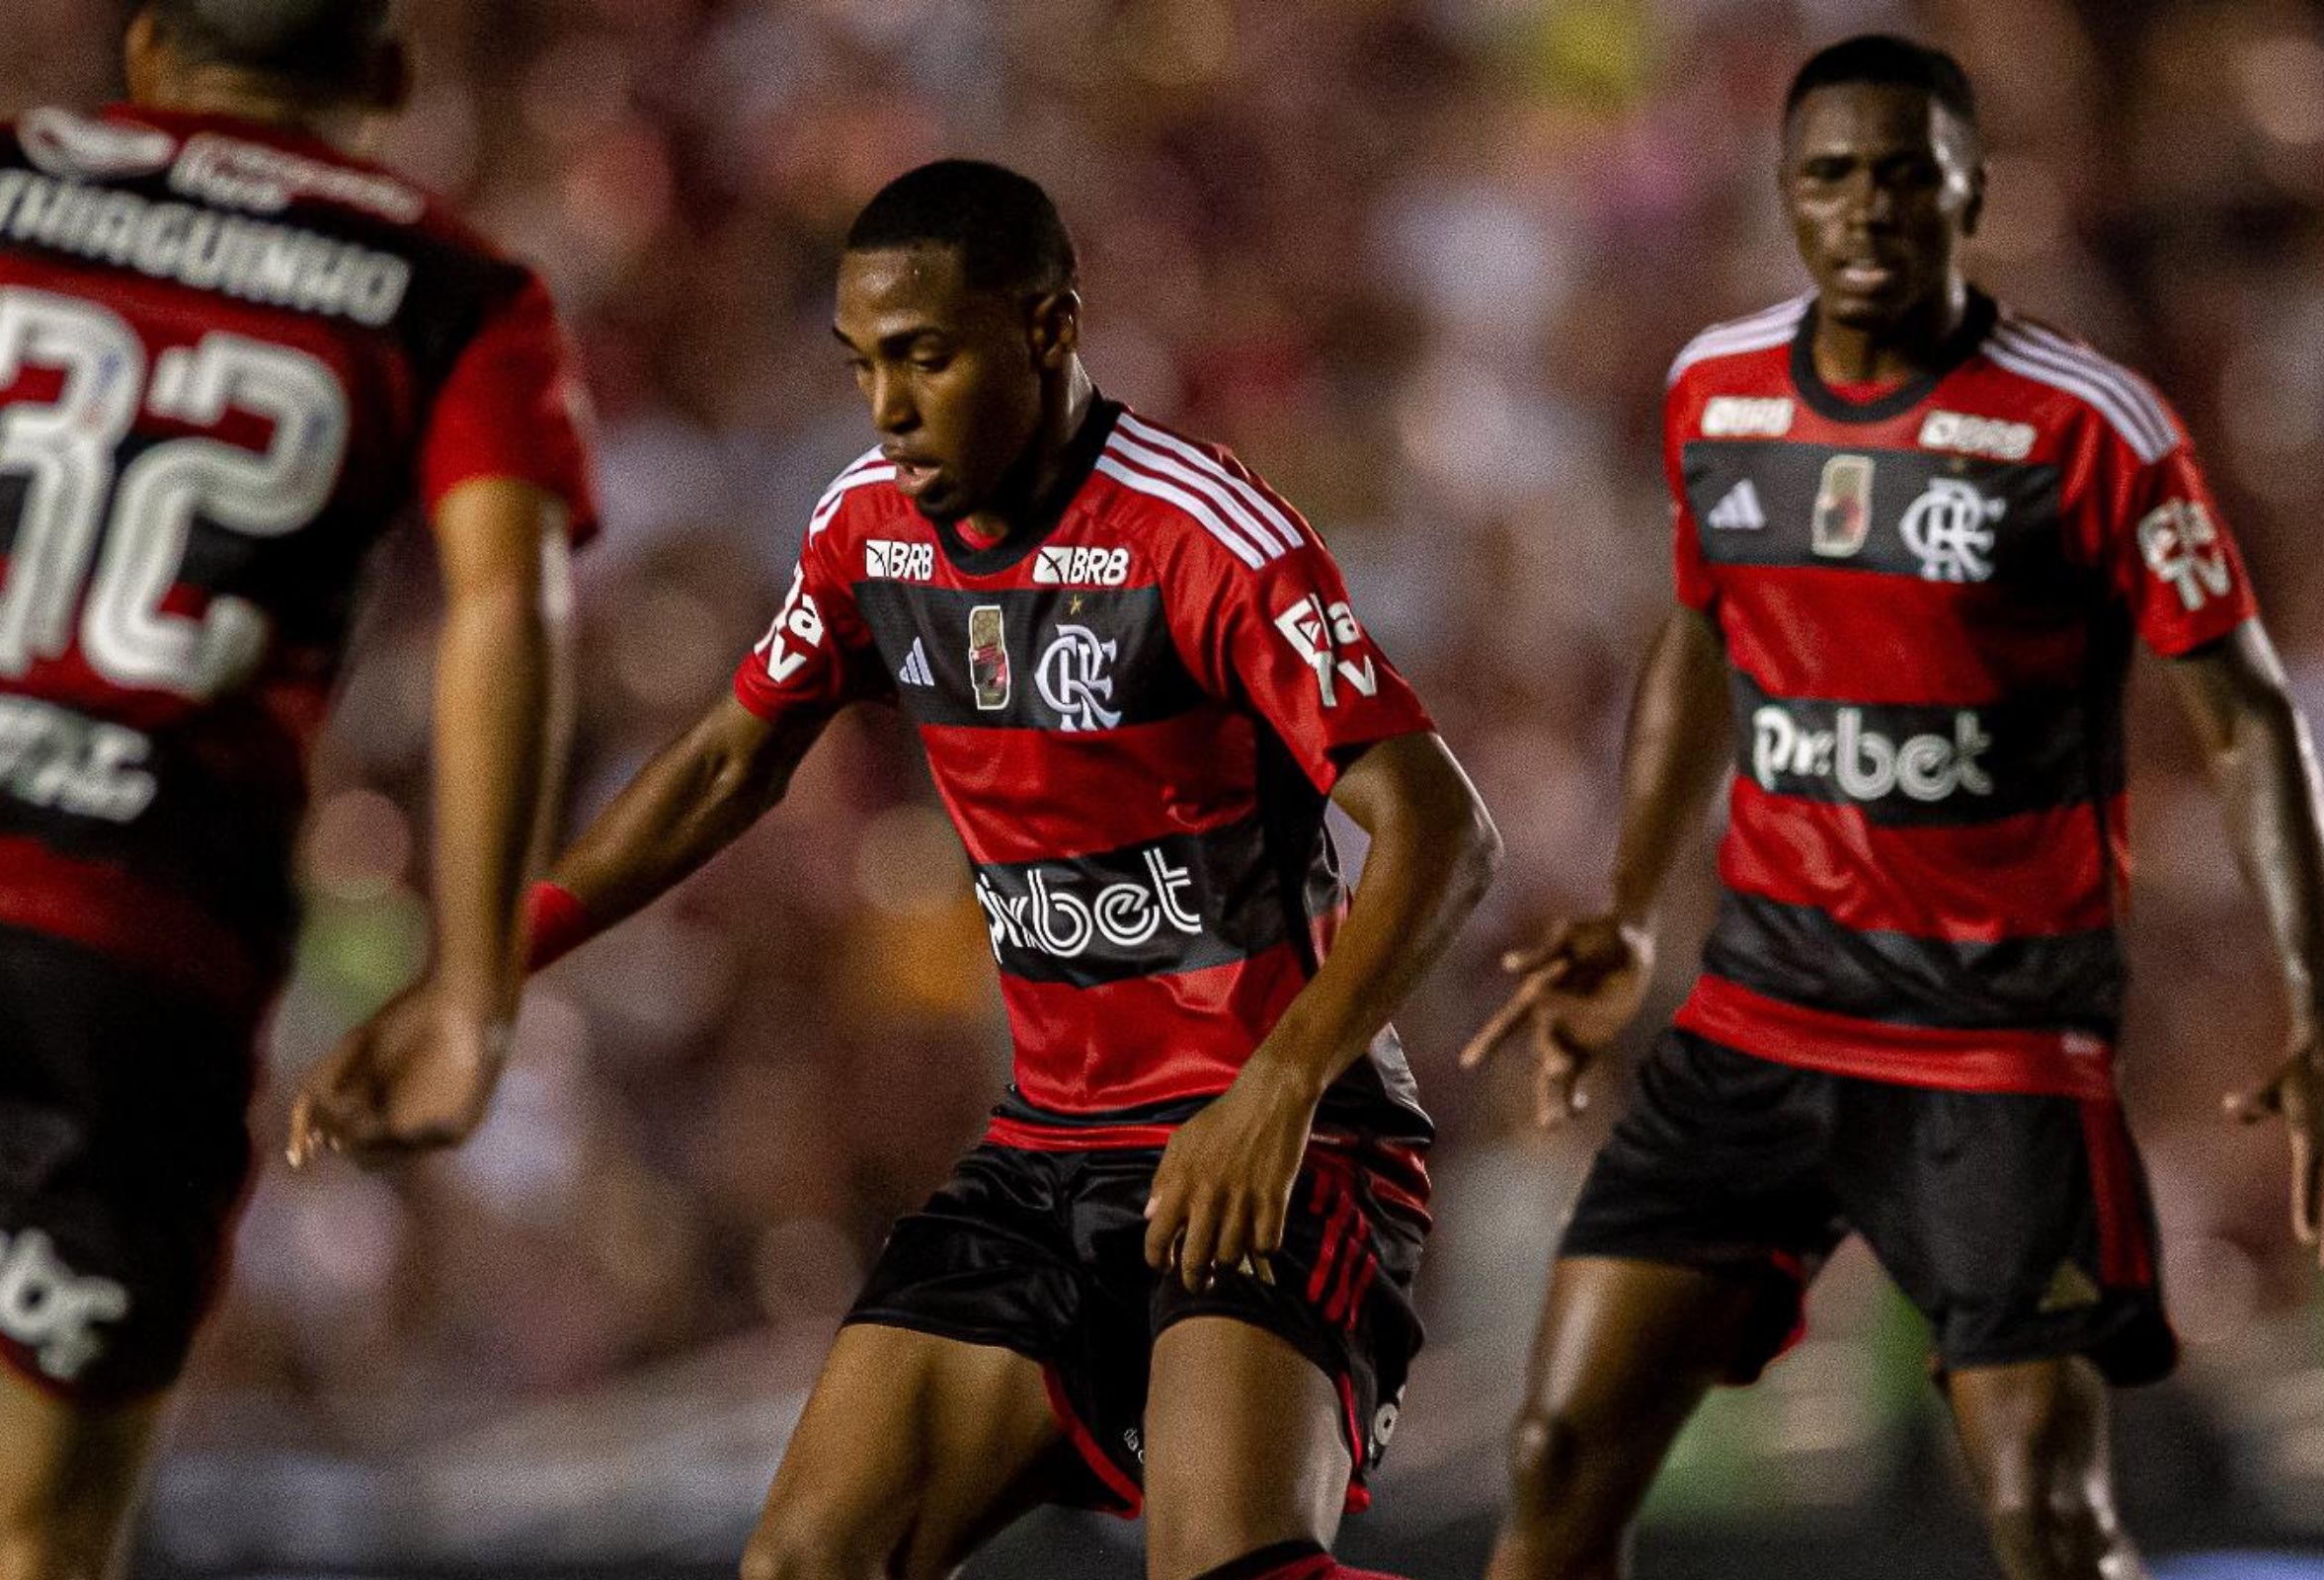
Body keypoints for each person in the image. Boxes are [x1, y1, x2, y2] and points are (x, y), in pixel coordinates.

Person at [519, 159, 1499, 1580]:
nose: (889, 409)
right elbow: (731, 761)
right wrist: (495, 959)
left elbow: (1444, 829)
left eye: (925, 356)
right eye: (862, 365)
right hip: (1049, 1152)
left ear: (1048, 330)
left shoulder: (1199, 535)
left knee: (1227, 1569)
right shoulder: (865, 525)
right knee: (804, 1564)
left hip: (1276, 1139)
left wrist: (1278, 1087)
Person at [1464, 34, 2324, 1580]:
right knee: (1557, 1453)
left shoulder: (2094, 428)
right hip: (1764, 1013)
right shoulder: (1715, 393)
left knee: (2044, 1514)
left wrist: (2311, 990)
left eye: (1905, 176)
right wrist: (1630, 904)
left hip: (1990, 1038)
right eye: (1831, 178)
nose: (1868, 211)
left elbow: (2246, 715)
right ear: (1788, 196)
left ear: (1970, 191)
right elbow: (1695, 634)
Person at [0, 2, 597, 1574]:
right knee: (42, 1537)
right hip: (130, 946)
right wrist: (472, 989)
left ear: (153, 49)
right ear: (386, 77)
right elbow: (509, 603)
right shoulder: (454, 290)